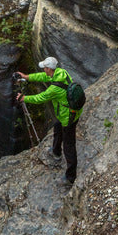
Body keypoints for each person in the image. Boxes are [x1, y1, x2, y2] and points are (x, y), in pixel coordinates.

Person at [14, 56, 80, 185]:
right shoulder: (61, 72)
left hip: (69, 117)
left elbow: (41, 98)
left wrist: (24, 98)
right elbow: (43, 77)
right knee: (57, 126)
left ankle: (70, 177)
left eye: (45, 67)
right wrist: (27, 77)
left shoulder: (54, 89)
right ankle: (55, 152)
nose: (44, 69)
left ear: (49, 69)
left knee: (69, 146)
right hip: (68, 112)